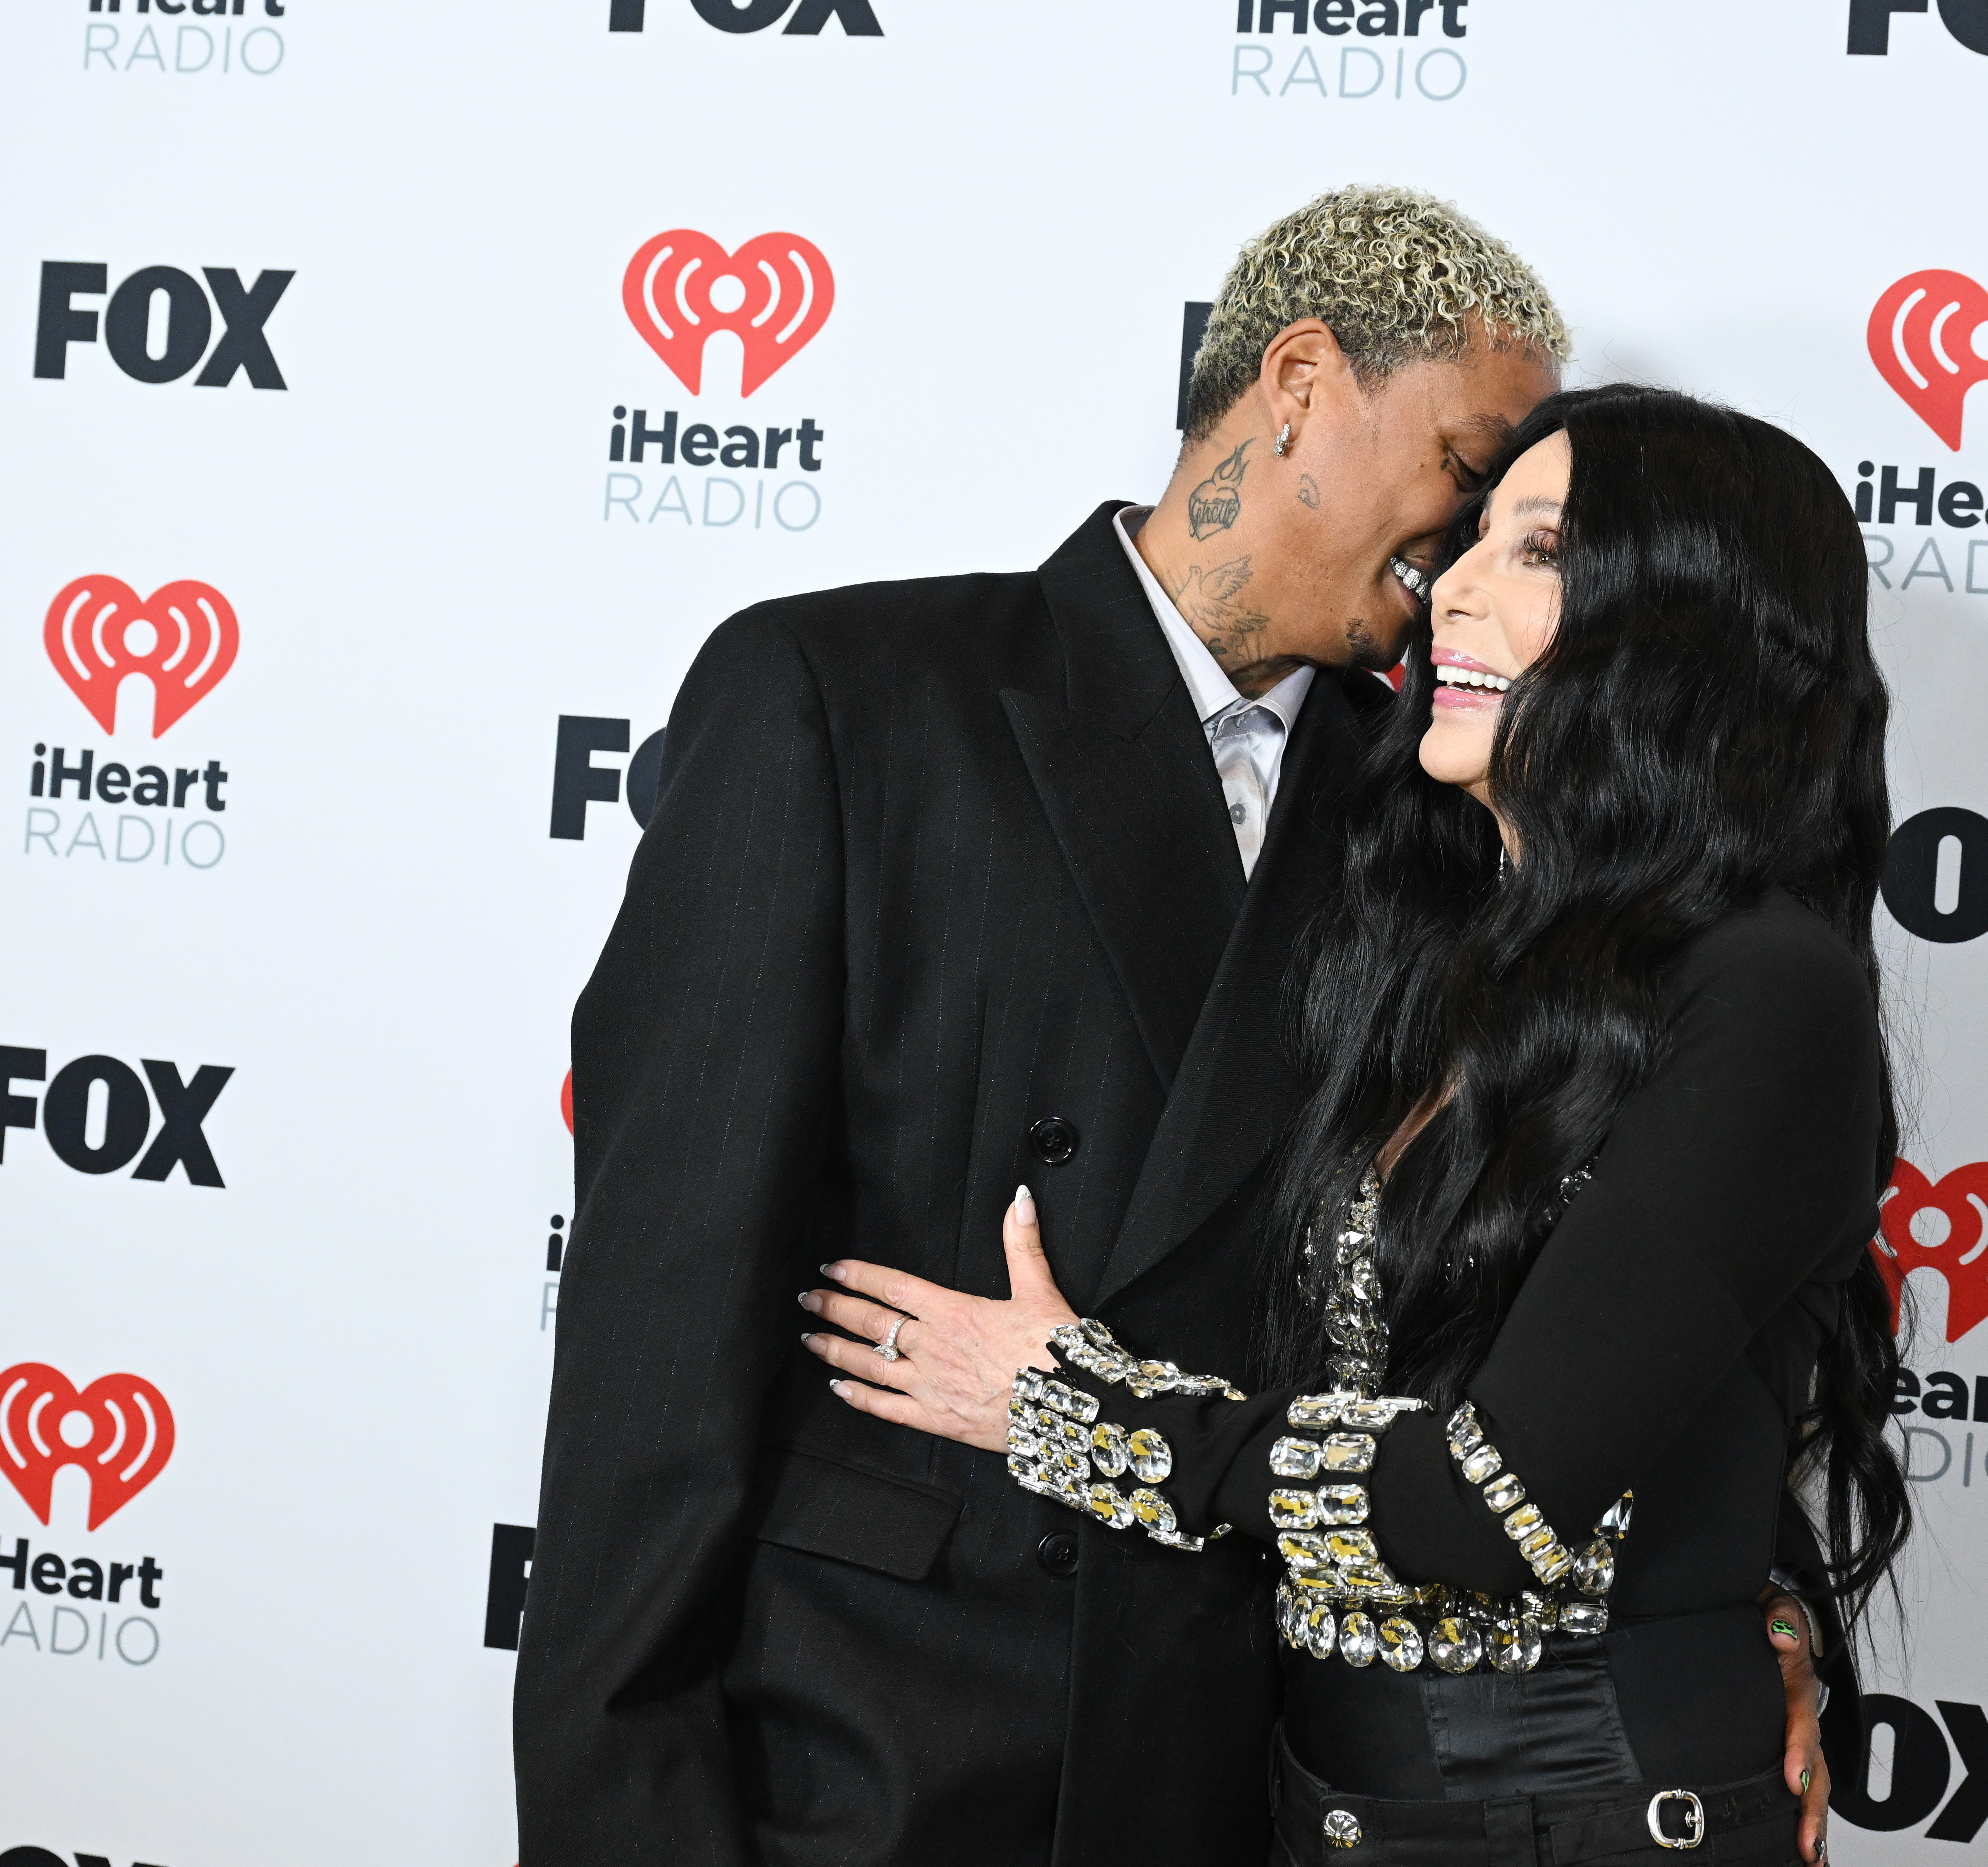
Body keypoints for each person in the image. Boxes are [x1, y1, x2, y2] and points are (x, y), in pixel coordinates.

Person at [512, 186, 1573, 1867]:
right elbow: (657, 1333)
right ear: (1297, 384)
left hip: (1233, 1765)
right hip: (855, 1755)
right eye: (1464, 464)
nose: (1472, 535)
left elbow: (1521, 1325)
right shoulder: (841, 696)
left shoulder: (1436, 810)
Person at [792, 383, 1910, 1867]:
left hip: (1590, 1814)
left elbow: (1490, 1505)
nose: (1449, 586)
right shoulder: (1436, 947)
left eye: (1537, 549)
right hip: (1323, 1804)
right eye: (1468, 539)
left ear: (1688, 623)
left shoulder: (1766, 990)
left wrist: (1067, 1410)